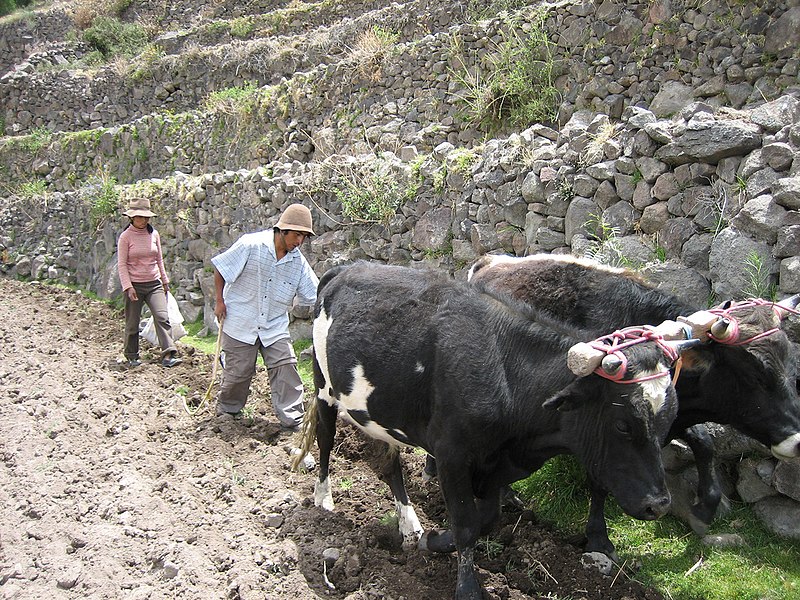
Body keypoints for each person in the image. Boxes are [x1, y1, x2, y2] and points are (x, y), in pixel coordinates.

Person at [211, 204, 319, 456]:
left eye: (304, 237)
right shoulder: (251, 245)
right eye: (297, 235)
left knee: (286, 367)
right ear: (282, 230)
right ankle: (228, 412)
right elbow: (221, 268)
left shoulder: (297, 262)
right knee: (239, 373)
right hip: (241, 321)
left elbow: (314, 293)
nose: (300, 241)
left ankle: (293, 421)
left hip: (273, 326)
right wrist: (219, 301)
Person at [117, 197, 183, 369]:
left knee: (162, 317)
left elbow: (159, 259)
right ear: (131, 217)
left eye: (146, 217)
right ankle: (132, 355)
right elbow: (122, 264)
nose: (143, 220)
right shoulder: (126, 237)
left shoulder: (153, 234)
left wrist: (165, 280)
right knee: (132, 322)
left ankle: (169, 353)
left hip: (154, 283)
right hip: (135, 285)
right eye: (139, 217)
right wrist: (128, 286)